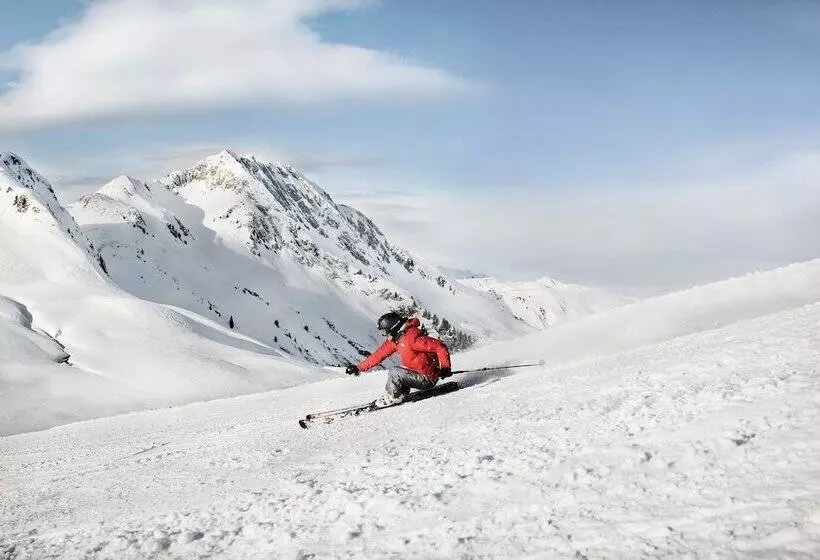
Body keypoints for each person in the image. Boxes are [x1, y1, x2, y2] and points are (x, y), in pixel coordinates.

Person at [345, 311, 452, 406]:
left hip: (427, 378)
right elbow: (378, 356)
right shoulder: (396, 340)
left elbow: (439, 346)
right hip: (417, 373)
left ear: (393, 328)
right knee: (400, 370)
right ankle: (400, 393)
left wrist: (445, 368)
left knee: (395, 372)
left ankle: (393, 397)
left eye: (384, 332)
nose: (384, 335)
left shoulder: (410, 338)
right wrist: (358, 368)